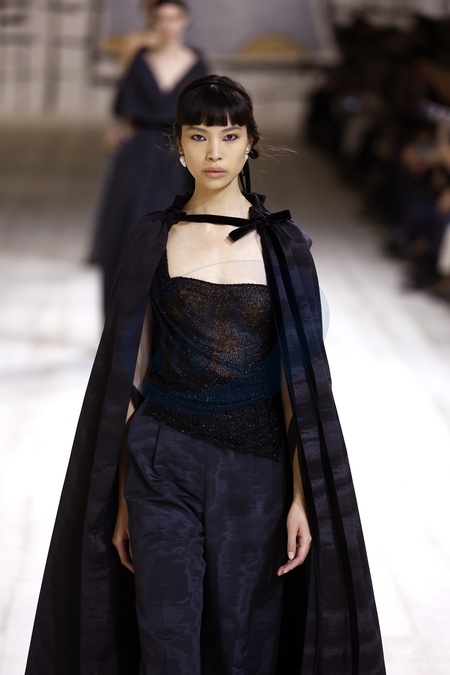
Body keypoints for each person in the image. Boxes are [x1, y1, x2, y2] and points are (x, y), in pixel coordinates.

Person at [25, 75, 386, 674]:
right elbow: (127, 378)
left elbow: (300, 388)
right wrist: (124, 499)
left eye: (229, 135)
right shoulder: (153, 238)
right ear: (178, 144)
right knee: (167, 644)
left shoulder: (285, 248)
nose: (214, 152)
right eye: (198, 136)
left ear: (251, 143)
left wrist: (303, 498)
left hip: (258, 475)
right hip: (161, 465)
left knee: (241, 650)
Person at [90, 0, 208, 311]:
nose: (168, 24)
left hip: (178, 156)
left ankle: (165, 319)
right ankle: (120, 318)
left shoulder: (197, 63)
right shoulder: (139, 57)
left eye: (175, 17)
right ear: (154, 21)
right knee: (127, 231)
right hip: (137, 153)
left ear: (185, 21)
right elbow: (121, 106)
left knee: (172, 231)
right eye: (162, 18)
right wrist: (116, 130)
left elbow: (205, 114)